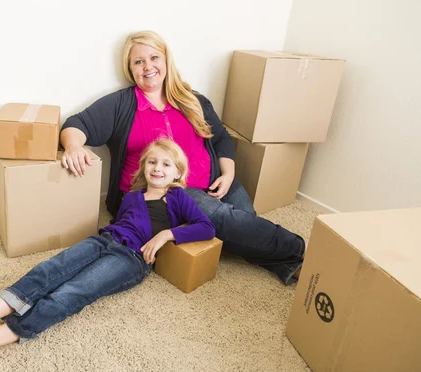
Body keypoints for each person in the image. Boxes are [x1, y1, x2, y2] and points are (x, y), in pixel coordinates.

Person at [0, 139, 215, 364]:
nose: (157, 169)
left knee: (73, 290)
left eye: (166, 164)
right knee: (49, 270)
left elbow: (206, 227)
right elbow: (118, 223)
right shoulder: (132, 196)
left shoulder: (176, 197)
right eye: (152, 162)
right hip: (103, 241)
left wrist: (167, 234)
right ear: (143, 166)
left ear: (177, 172)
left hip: (131, 258)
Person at [59, 30, 305, 285]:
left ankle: (288, 265)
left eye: (154, 57)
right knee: (227, 221)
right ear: (129, 69)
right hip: (167, 192)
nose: (148, 67)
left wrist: (228, 174)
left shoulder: (192, 99)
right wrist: (74, 146)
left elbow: (220, 137)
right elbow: (76, 124)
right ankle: (303, 250)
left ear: (166, 60)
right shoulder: (121, 104)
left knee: (246, 224)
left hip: (213, 179)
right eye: (138, 61)